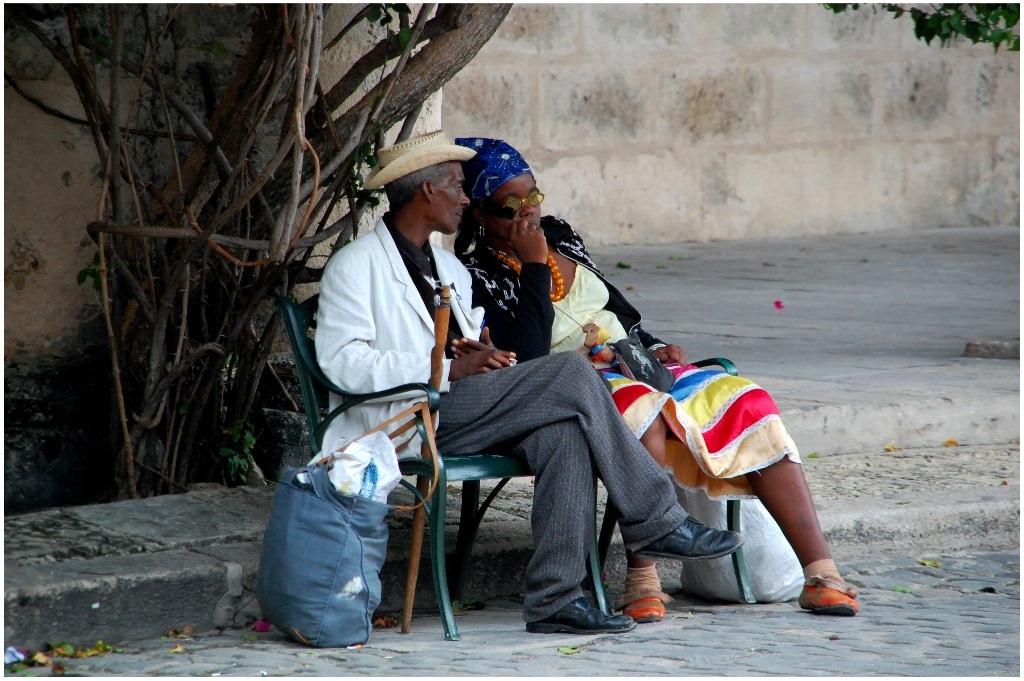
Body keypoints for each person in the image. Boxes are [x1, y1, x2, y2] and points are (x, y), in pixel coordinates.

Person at [315, 130, 744, 636]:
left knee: (563, 432)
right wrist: (445, 366)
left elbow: (465, 342)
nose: (465, 198)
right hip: (401, 419)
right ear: (427, 191)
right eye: (457, 185)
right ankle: (659, 520)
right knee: (569, 371)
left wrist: (475, 352)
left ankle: (555, 601)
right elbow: (342, 362)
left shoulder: (447, 265)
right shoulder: (356, 265)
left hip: (461, 408)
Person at [452, 136, 860, 620]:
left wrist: (652, 345)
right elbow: (531, 358)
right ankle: (642, 577)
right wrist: (534, 265)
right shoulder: (475, 274)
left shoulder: (561, 235)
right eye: (509, 206)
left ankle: (820, 572)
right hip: (579, 387)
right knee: (649, 415)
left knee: (746, 401)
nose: (528, 214)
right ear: (480, 213)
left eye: (533, 196)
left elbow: (616, 312)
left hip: (636, 363)